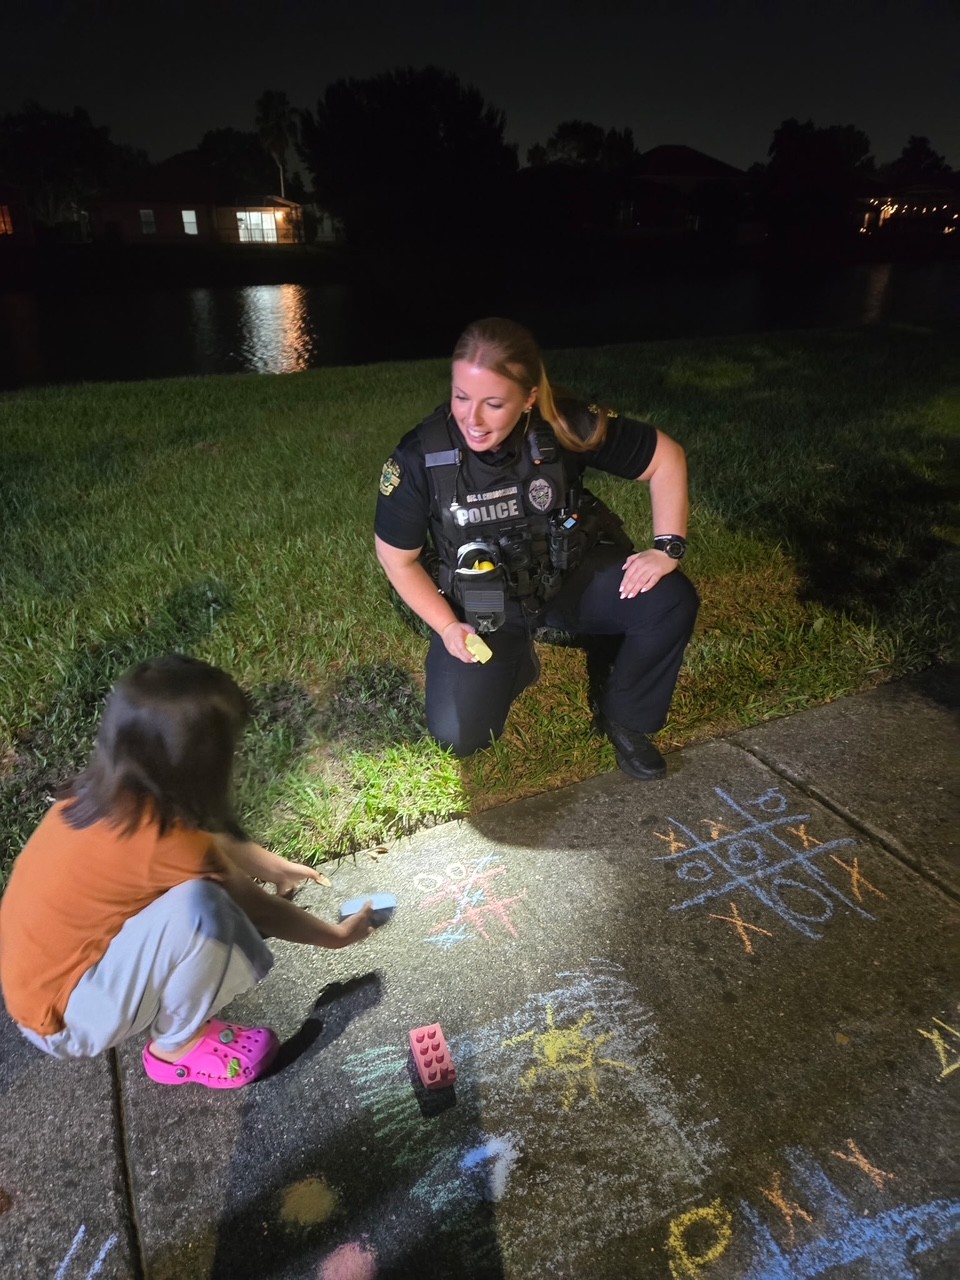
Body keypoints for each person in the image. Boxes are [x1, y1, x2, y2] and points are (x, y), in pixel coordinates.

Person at [0, 654, 374, 1091]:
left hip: (36, 987)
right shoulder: (170, 842)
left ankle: (162, 1016)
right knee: (204, 909)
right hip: (67, 1021)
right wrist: (338, 936)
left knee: (197, 895)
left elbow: (200, 836)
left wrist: (270, 865)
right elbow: (260, 910)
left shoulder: (102, 795)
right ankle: (176, 1046)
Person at [375, 316, 698, 778]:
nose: (473, 418)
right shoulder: (420, 458)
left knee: (669, 601)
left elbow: (665, 457)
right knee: (459, 737)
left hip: (566, 575)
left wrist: (667, 547)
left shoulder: (559, 425)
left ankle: (626, 717)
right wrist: (448, 627)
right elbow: (397, 558)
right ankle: (517, 661)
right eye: (462, 397)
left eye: (493, 403)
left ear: (528, 398)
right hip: (485, 600)